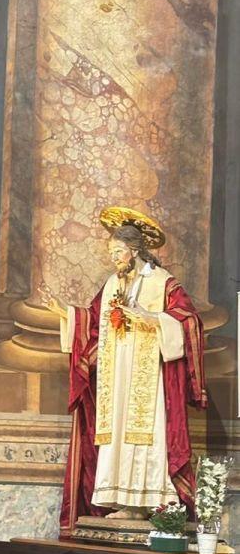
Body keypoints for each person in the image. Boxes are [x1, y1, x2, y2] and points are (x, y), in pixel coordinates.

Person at [47, 207, 207, 531]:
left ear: (134, 251)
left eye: (118, 252)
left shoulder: (162, 283)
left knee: (147, 437)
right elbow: (92, 320)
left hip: (149, 381)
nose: (114, 258)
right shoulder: (111, 285)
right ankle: (121, 502)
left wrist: (152, 319)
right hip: (116, 377)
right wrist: (67, 315)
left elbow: (188, 319)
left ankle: (150, 503)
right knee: (117, 433)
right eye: (111, 252)